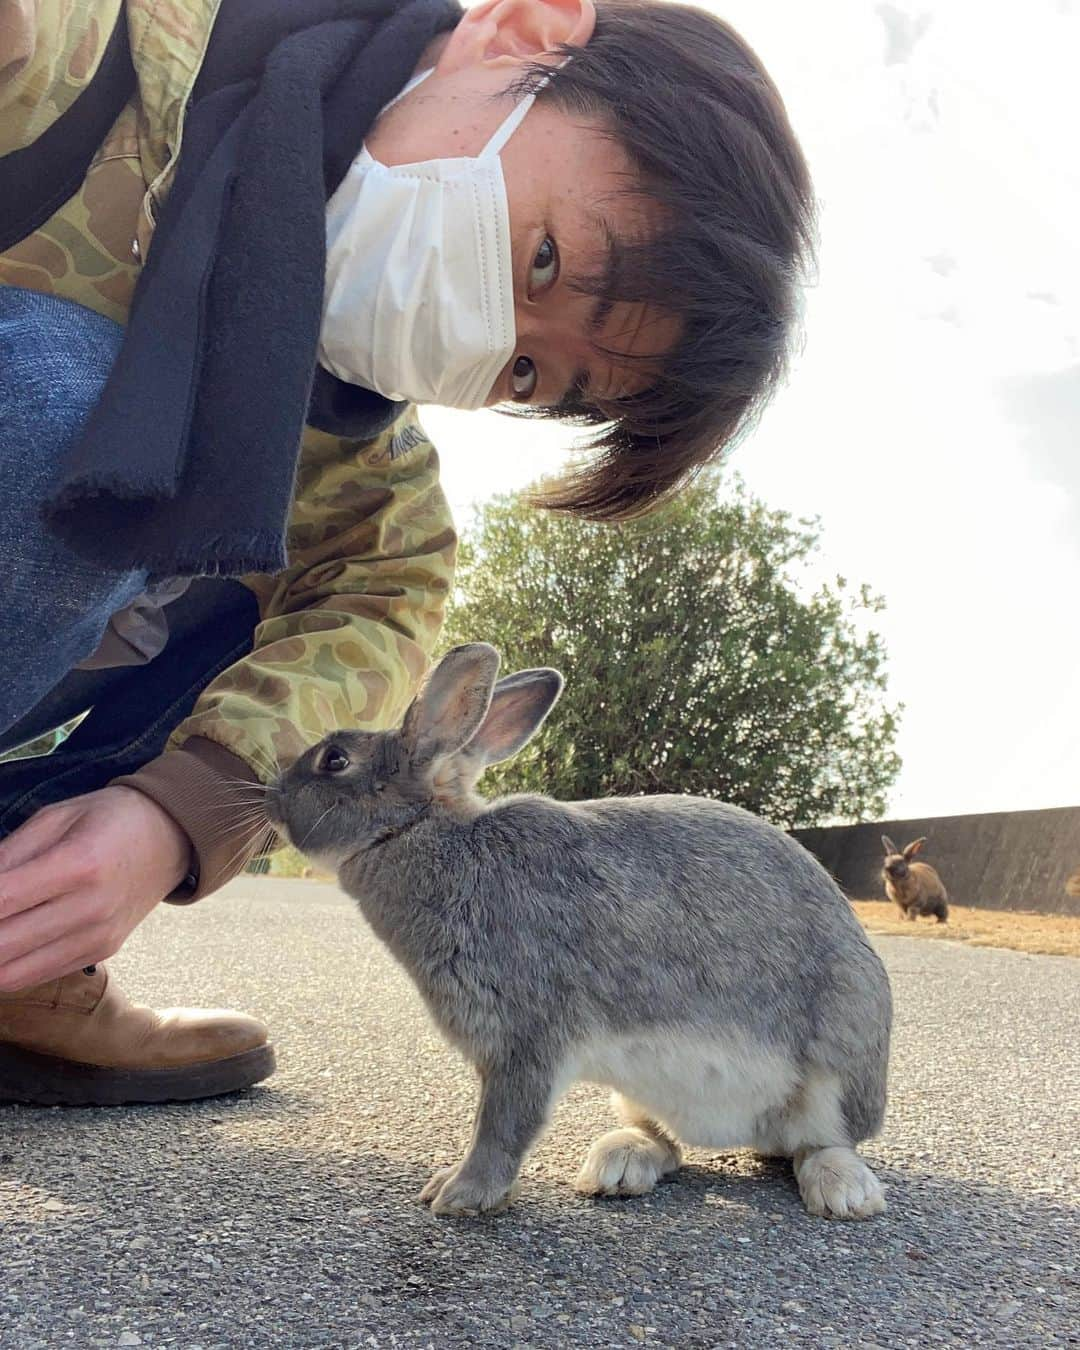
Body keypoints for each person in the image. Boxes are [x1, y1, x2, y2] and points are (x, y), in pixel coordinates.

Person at [0, 0, 814, 1104]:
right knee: (72, 414)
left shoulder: (345, 430)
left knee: (252, 552)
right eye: (540, 260)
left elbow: (393, 591)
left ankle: (18, 921)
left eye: (528, 375)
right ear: (522, 29)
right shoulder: (81, 50)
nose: (484, 342)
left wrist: (169, 817)